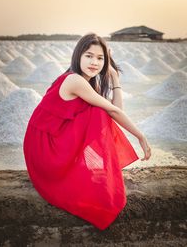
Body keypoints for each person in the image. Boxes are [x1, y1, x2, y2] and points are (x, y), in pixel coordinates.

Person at [23, 33, 151, 230]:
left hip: (49, 143)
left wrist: (115, 77)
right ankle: (97, 169)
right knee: (98, 113)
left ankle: (94, 168)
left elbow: (116, 111)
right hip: (43, 151)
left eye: (100, 58)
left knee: (99, 112)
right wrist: (140, 136)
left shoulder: (88, 82)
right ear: (78, 56)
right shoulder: (74, 80)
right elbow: (113, 111)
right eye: (89, 56)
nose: (94, 62)